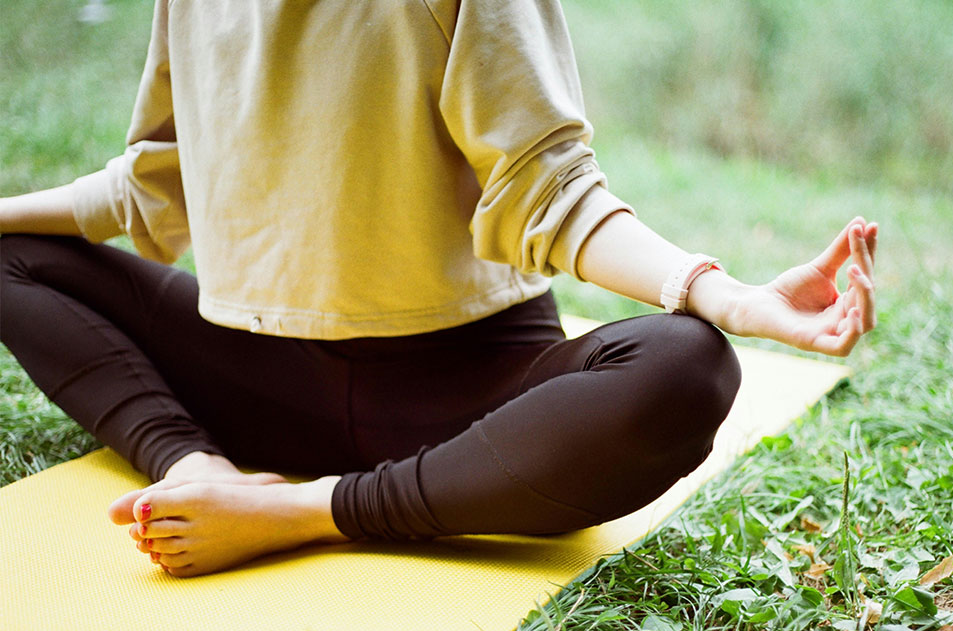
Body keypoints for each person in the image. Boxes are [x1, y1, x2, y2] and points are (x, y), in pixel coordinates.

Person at [0, 0, 877, 577]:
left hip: (465, 398)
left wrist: (724, 297)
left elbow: (554, 192)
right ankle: (204, 476)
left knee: (686, 366)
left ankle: (304, 512)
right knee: (10, 254)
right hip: (257, 376)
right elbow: (158, 182)